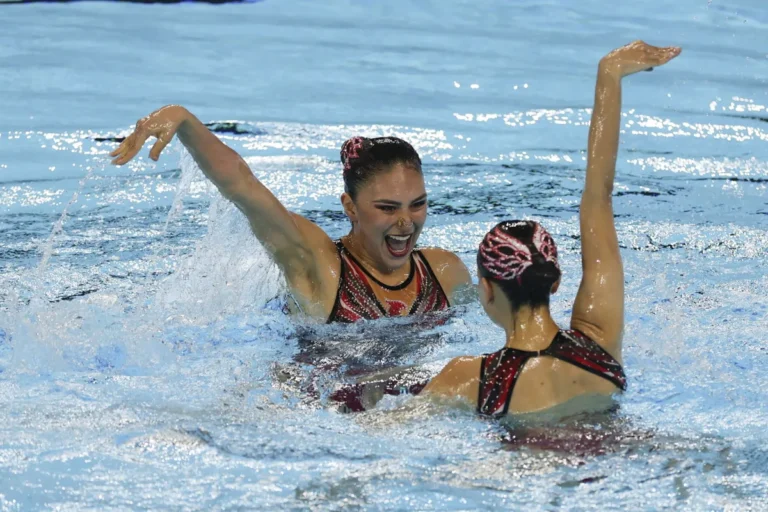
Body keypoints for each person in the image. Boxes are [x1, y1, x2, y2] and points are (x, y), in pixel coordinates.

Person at [424, 41, 681, 417]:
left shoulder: (470, 378)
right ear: (555, 281)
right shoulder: (599, 342)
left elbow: (387, 427)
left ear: (487, 287)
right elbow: (598, 199)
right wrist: (609, 72)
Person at [110, 114, 472, 323]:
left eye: (417, 204)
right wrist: (186, 122)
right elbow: (244, 187)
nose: (407, 222)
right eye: (388, 208)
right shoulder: (318, 266)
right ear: (350, 207)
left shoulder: (444, 273)